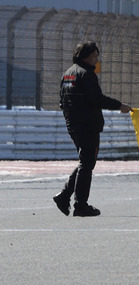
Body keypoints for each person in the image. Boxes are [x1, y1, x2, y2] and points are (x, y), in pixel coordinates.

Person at [53, 41, 132, 217]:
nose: (97, 60)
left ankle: (64, 196)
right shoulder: (86, 74)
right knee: (87, 164)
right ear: (86, 56)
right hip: (87, 125)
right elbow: (97, 99)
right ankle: (80, 205)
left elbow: (61, 102)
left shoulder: (67, 74)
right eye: (95, 56)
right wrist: (120, 105)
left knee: (85, 162)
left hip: (73, 124)